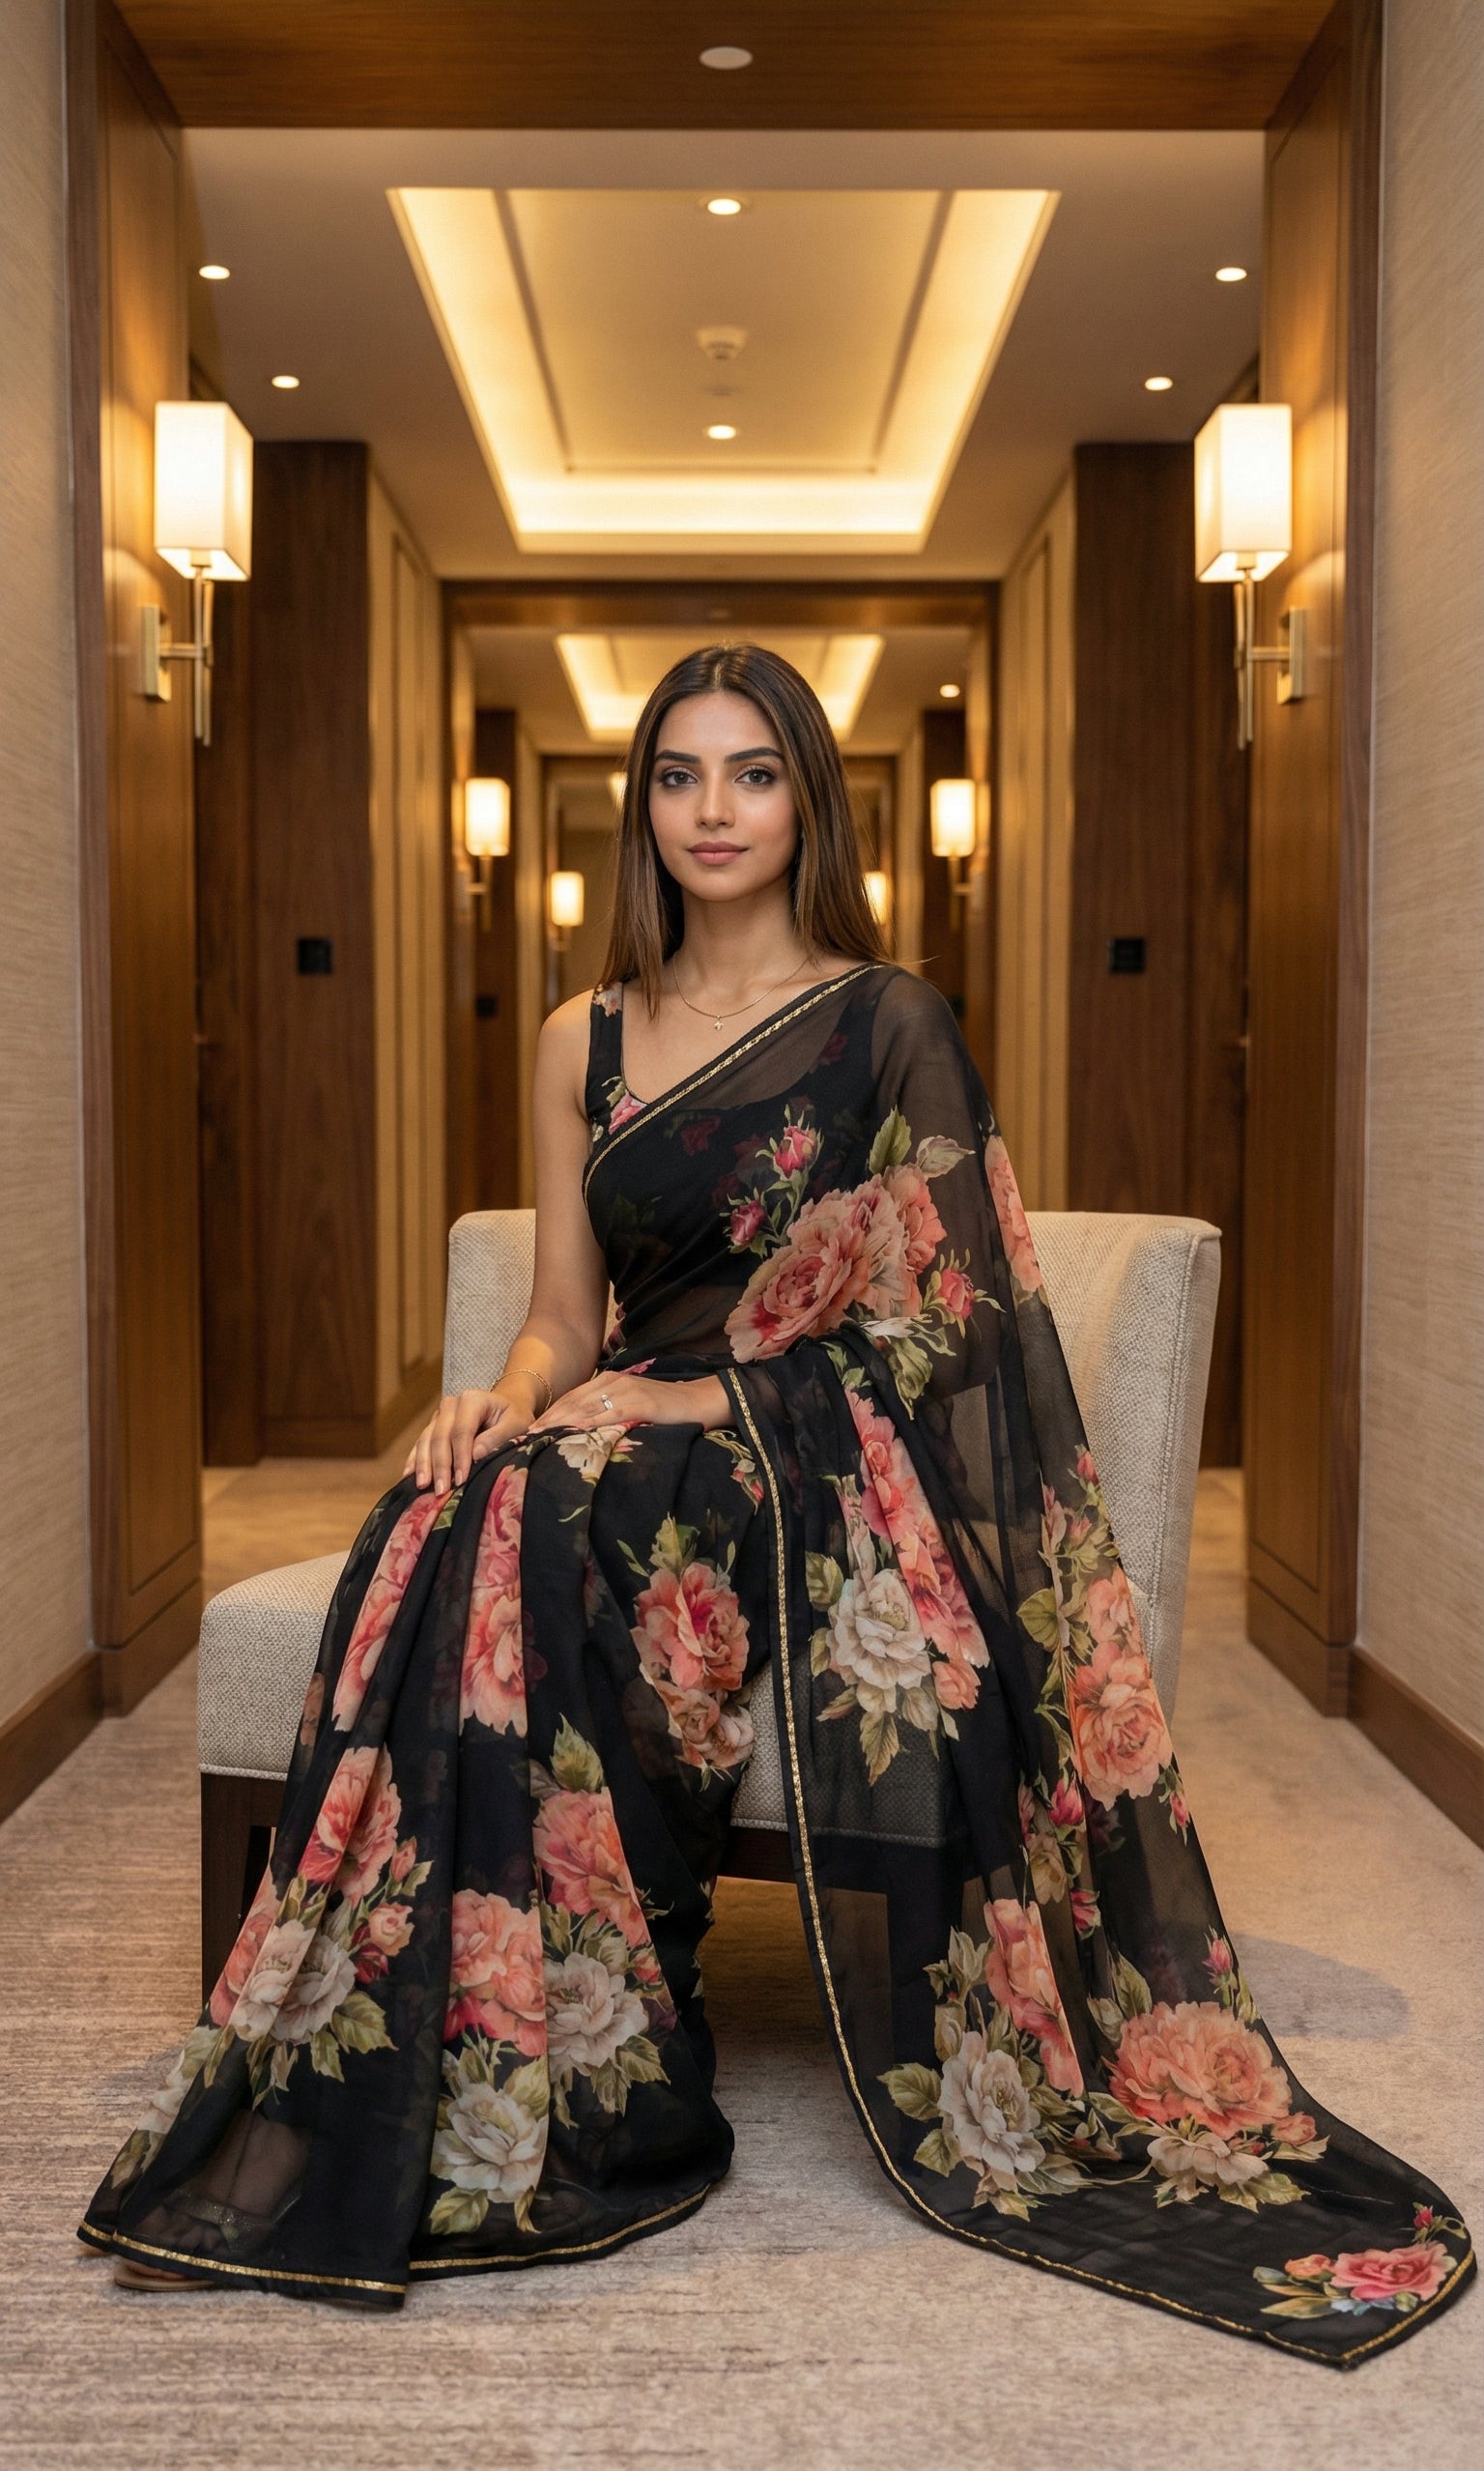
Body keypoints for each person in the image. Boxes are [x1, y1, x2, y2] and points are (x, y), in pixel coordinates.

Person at [82, 646, 1471, 2364]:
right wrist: (504, 1393)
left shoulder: (888, 1023)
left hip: (800, 1452)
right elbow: (562, 1312)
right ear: (642, 806)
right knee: (451, 1513)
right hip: (619, 1421)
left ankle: (570, 2078)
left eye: (752, 773)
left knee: (548, 1517)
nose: (714, 810)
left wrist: (701, 1398)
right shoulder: (584, 1036)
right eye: (679, 775)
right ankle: (438, 2066)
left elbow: (955, 1326)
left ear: (807, 799)